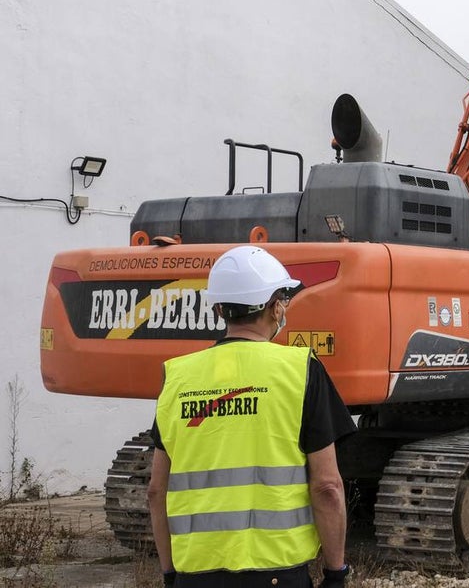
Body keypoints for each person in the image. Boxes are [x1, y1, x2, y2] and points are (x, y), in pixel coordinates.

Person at [147, 245, 357, 587]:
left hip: (196, 576)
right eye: (283, 302)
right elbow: (327, 486)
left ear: (218, 309)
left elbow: (157, 490)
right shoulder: (301, 371)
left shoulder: (178, 377)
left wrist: (171, 574)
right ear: (276, 308)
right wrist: (335, 572)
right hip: (278, 574)